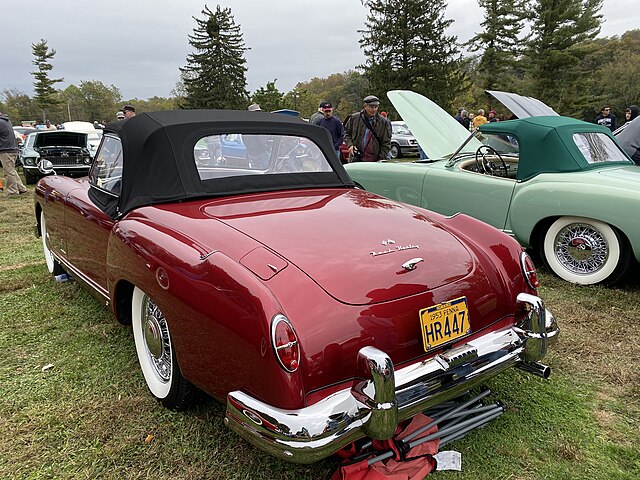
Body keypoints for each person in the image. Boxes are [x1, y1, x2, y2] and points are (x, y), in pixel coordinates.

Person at [344, 95, 391, 162]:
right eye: (371, 107)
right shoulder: (354, 118)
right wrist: (350, 145)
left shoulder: (383, 122)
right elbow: (346, 133)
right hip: (356, 158)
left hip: (375, 159)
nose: (374, 109)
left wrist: (381, 158)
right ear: (365, 106)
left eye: (376, 107)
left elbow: (386, 143)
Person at [0, 112, 27, 195]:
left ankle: (12, 191)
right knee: (12, 170)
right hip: (12, 149)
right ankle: (21, 188)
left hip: (6, 150)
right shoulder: (5, 121)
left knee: (8, 172)